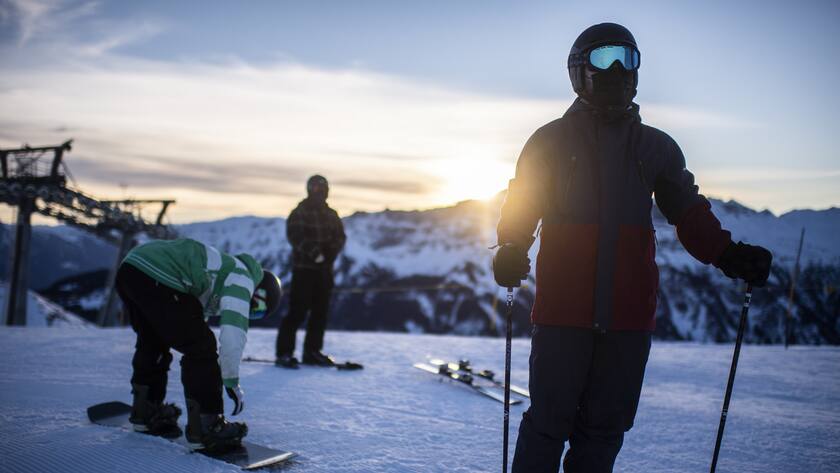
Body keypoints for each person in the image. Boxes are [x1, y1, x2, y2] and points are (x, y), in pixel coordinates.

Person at [493, 23, 772, 473]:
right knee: (549, 422)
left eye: (629, 58)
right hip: (565, 311)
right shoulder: (549, 142)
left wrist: (727, 253)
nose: (619, 70)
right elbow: (524, 200)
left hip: (627, 314)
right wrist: (510, 243)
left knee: (606, 428)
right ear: (579, 71)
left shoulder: (656, 147)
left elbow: (688, 211)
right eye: (604, 58)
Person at [116, 238, 282, 451]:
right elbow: (233, 334)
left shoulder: (219, 275)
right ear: (258, 287)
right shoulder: (243, 278)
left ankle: (146, 411)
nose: (250, 310)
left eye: (257, 314)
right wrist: (231, 382)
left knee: (154, 340)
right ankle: (208, 426)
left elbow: (190, 322)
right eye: (256, 304)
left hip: (131, 270)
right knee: (202, 347)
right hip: (158, 274)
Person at [275, 175, 346, 368]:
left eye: (322, 188)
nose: (320, 192)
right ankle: (284, 353)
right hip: (304, 271)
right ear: (310, 190)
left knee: (320, 313)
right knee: (297, 311)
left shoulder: (331, 214)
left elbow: (340, 236)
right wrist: (316, 254)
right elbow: (295, 236)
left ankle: (312, 352)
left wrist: (331, 253)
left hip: (324, 272)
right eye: (317, 188)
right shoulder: (300, 212)